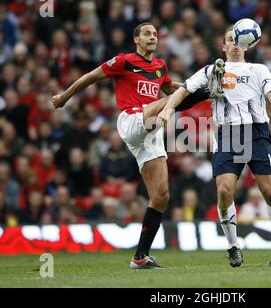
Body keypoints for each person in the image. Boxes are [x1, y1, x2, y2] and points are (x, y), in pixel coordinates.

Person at [52, 22, 201, 269]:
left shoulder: (160, 67)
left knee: (161, 196)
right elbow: (91, 76)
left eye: (155, 34)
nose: (153, 37)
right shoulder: (124, 61)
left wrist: (194, 89)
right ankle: (195, 94)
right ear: (136, 39)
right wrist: (65, 97)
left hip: (151, 132)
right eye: (147, 34)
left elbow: (172, 88)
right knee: (170, 102)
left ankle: (140, 257)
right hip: (132, 120)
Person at [158, 27, 271, 267]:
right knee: (225, 190)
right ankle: (233, 246)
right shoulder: (212, 70)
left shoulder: (258, 69)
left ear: (247, 44)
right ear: (223, 46)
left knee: (269, 191)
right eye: (230, 40)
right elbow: (184, 89)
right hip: (228, 133)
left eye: (239, 40)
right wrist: (167, 108)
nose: (235, 44)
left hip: (256, 132)